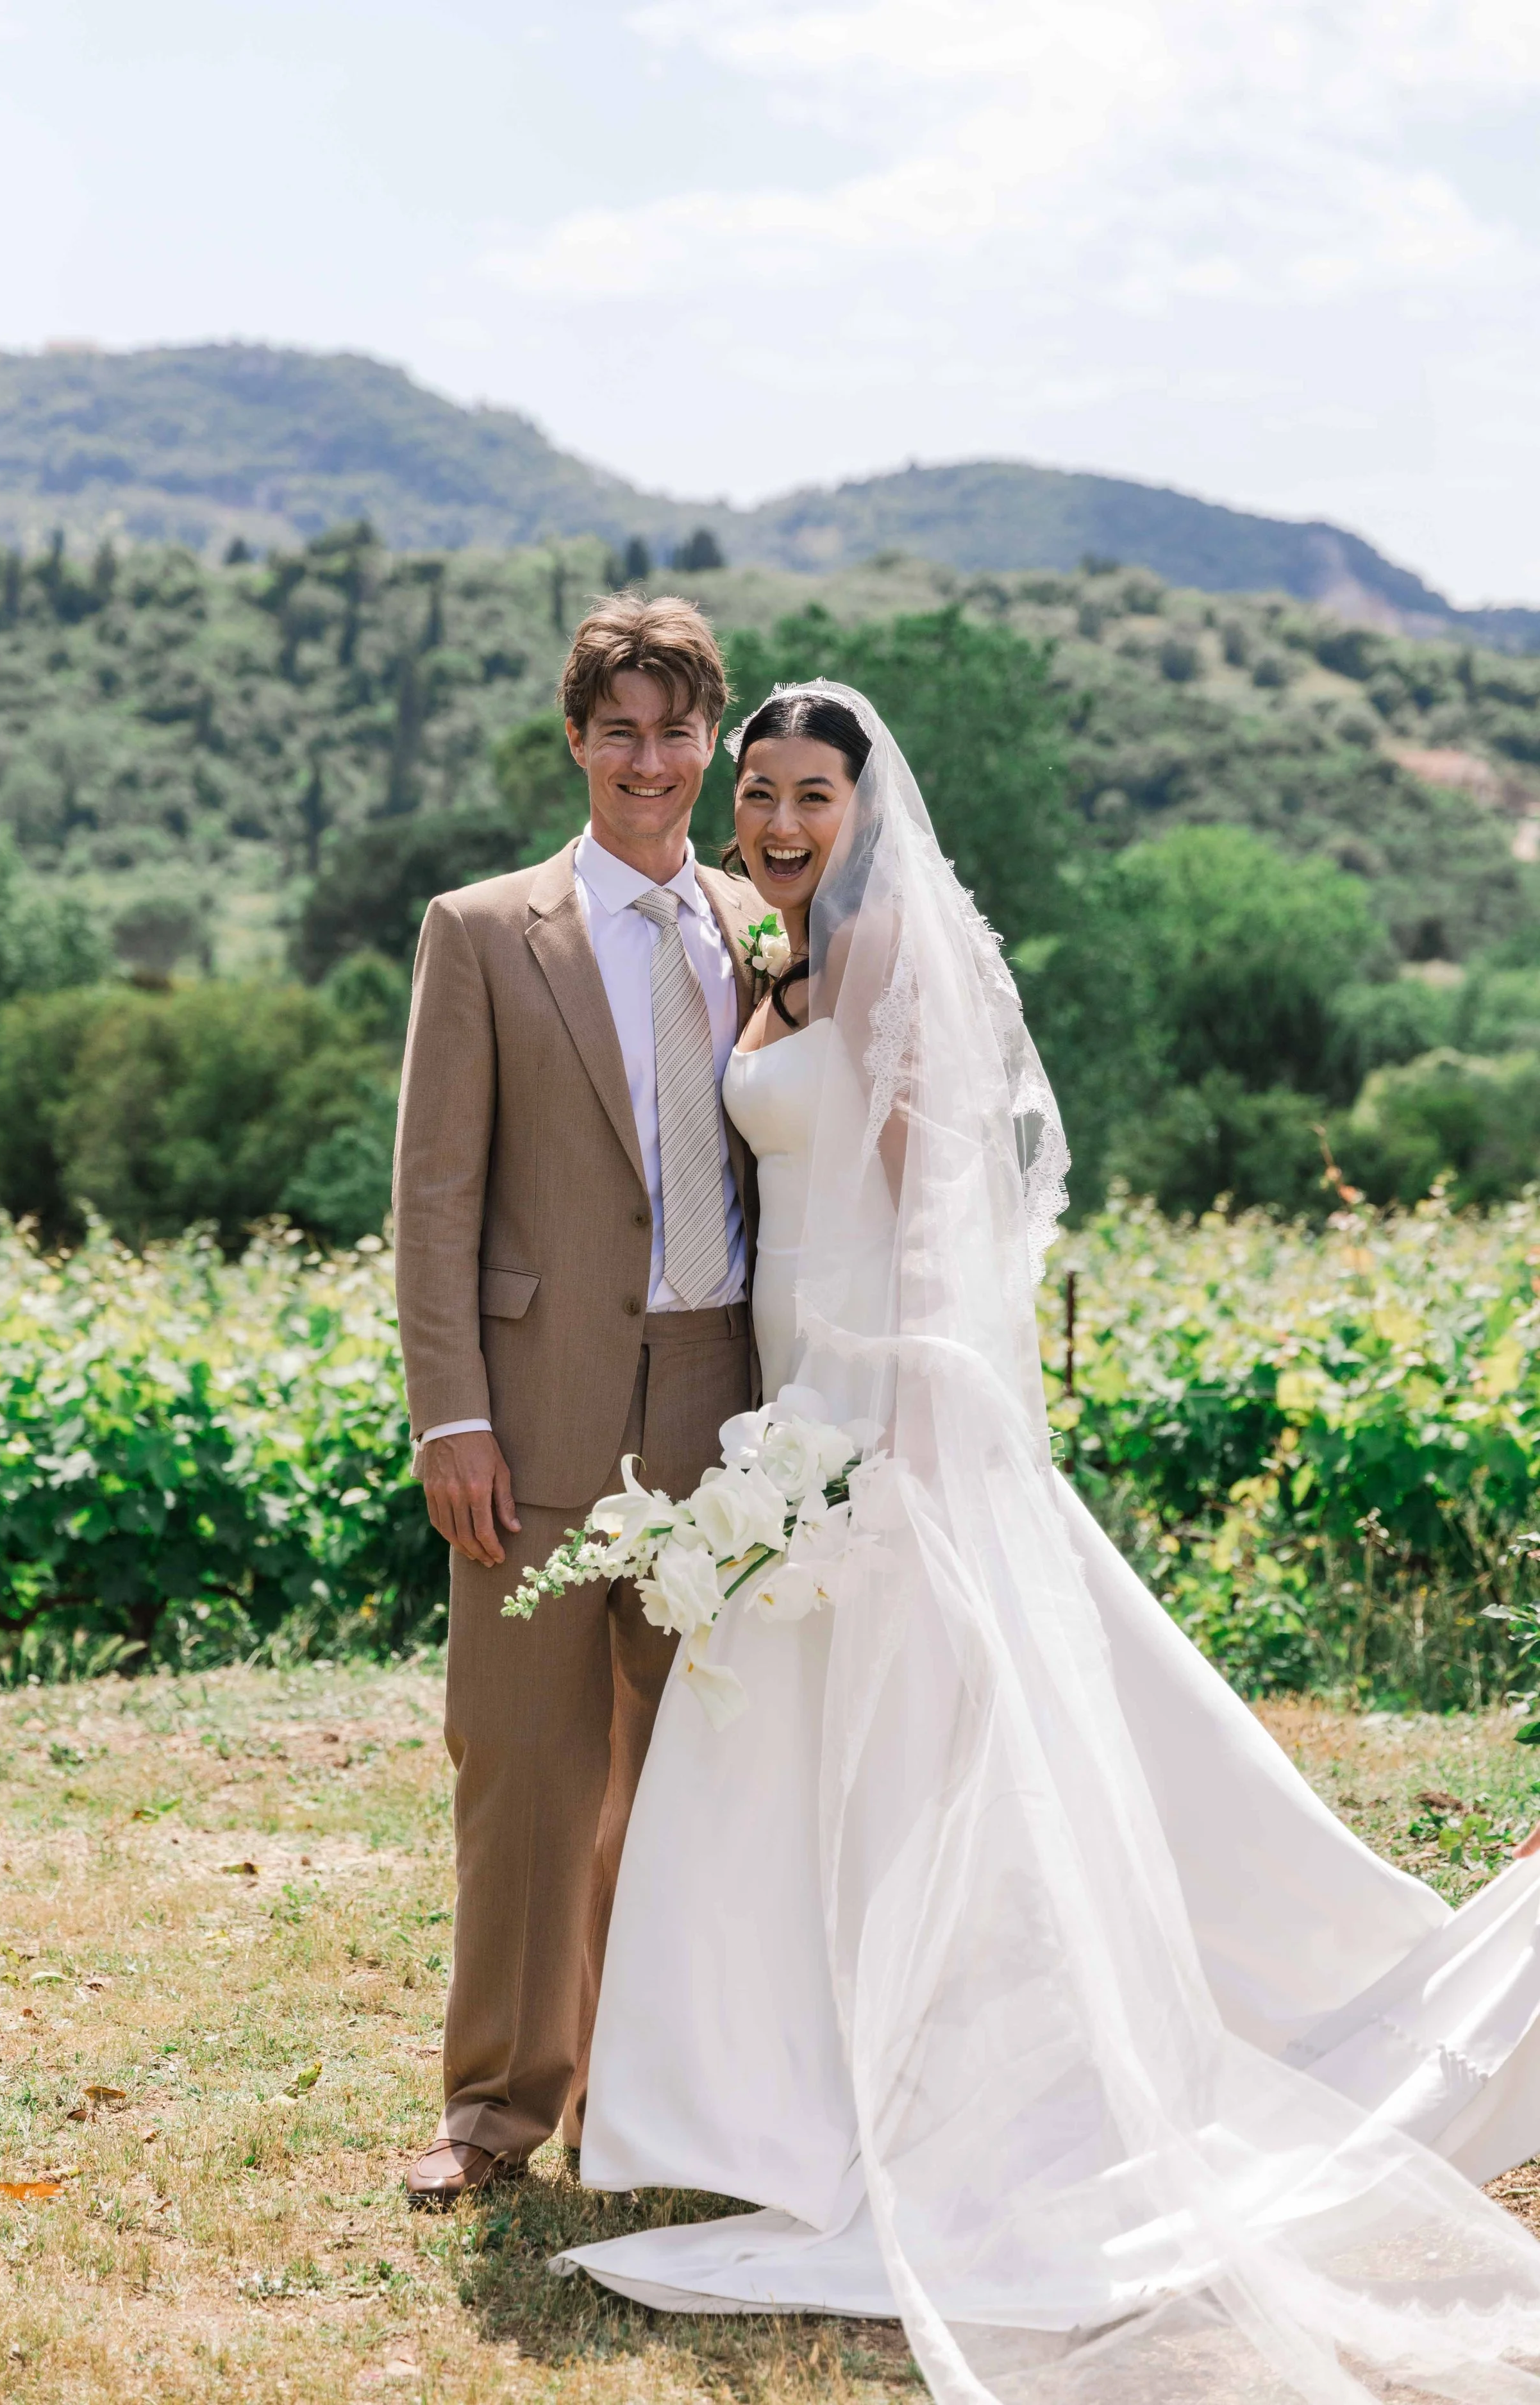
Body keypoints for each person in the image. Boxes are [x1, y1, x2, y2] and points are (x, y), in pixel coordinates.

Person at [554, 682, 1540, 2403]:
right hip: (791, 1409)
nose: (781, 821)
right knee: (800, 1769)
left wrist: (910, 1429)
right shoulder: (780, 960)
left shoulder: (889, 961)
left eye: (812, 795)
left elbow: (943, 1216)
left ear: (866, 809)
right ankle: (778, 2098)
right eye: (761, 792)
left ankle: (924, 2101)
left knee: (928, 1770)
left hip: (882, 1417)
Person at [390, 595, 758, 2207]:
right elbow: (433, 1198)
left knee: (695, 1776)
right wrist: (447, 1415)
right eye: (620, 730)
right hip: (528, 1418)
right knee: (524, 1765)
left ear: (709, 744)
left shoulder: (760, 926)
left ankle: (657, 2103)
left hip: (722, 1415)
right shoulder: (482, 931)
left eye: (679, 732)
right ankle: (492, 2112)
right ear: (576, 741)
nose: (651, 762)